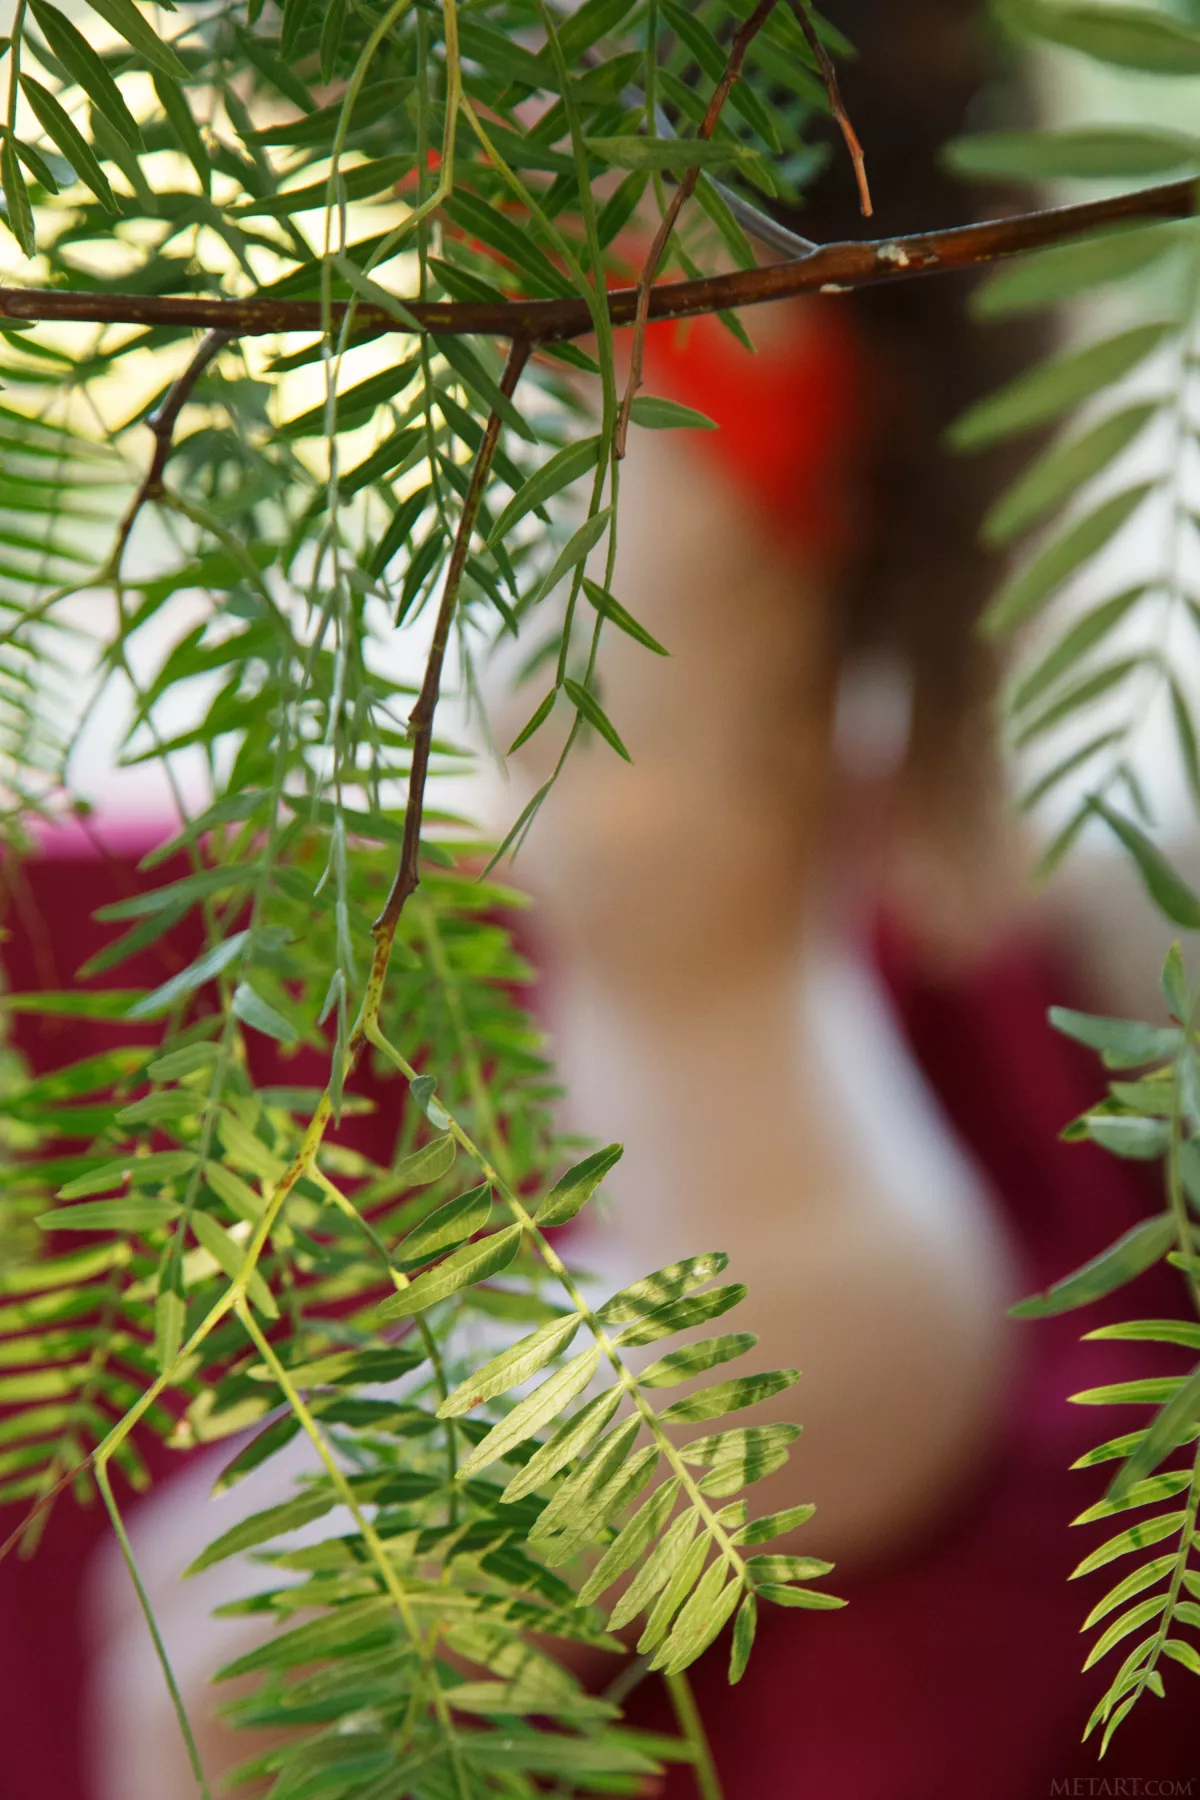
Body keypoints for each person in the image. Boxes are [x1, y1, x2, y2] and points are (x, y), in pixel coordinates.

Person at [13, 1, 1200, 1793]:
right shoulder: (670, 404)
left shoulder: (736, 392)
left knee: (224, 1669)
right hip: (703, 1225)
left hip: (785, 1286)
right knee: (191, 1625)